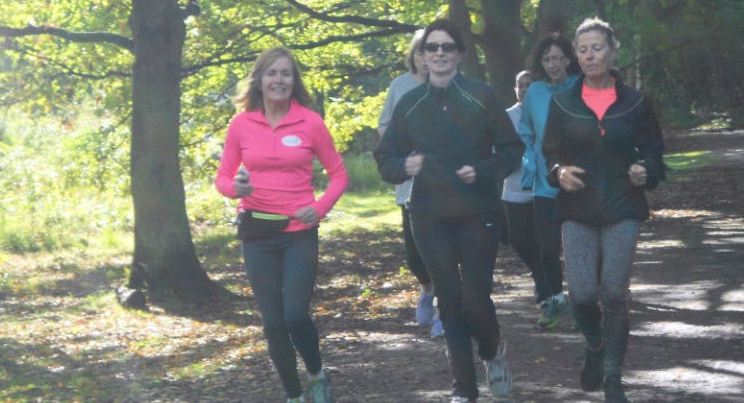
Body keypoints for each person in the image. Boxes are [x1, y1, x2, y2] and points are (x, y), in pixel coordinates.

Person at [375, 19, 522, 403]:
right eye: (432, 47)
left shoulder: (481, 96)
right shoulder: (410, 103)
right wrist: (403, 166)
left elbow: (511, 149)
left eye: (447, 47)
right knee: (449, 300)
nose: (439, 53)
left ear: (459, 53)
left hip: (477, 211)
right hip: (428, 215)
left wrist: (484, 171)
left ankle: (492, 354)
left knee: (475, 299)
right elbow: (385, 158)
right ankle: (464, 388)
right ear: (421, 56)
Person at [215, 47, 348, 403]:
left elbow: (338, 175)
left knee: (293, 316)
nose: (279, 80)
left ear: (294, 81)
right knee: (272, 323)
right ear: (259, 80)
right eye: (272, 73)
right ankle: (294, 395)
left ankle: (317, 374)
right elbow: (224, 179)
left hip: (298, 234)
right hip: (257, 233)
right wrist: (236, 188)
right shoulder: (241, 123)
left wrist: (318, 209)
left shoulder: (310, 122)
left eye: (285, 74)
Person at [543, 17, 665, 402]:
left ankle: (614, 378)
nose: (589, 55)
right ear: (576, 56)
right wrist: (558, 172)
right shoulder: (563, 102)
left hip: (622, 206)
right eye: (582, 49)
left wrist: (646, 170)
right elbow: (549, 154)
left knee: (613, 293)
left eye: (596, 47)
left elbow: (655, 153)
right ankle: (594, 345)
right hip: (577, 209)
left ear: (612, 52)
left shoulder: (636, 103)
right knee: (580, 296)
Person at [377, 29, 443, 338]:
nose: (427, 58)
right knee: (415, 253)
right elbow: (384, 129)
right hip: (409, 182)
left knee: (444, 247)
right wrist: (402, 158)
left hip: (444, 183)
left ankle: (446, 308)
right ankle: (427, 288)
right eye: (421, 52)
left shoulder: (446, 85)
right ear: (414, 56)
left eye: (432, 51)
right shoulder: (399, 86)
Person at [517, 32, 582, 330]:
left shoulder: (580, 86)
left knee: (580, 245)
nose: (553, 64)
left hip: (580, 180)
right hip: (546, 181)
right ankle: (556, 298)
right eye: (547, 59)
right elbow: (526, 131)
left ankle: (585, 303)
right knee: (546, 246)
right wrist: (531, 160)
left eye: (558, 58)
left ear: (568, 60)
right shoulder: (535, 92)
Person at [501, 70, 542, 292]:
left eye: (529, 84)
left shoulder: (547, 111)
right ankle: (539, 273)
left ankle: (546, 284)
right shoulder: (506, 116)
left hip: (543, 189)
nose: (524, 89)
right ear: (515, 89)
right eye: (521, 85)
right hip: (514, 189)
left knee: (544, 240)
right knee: (519, 241)